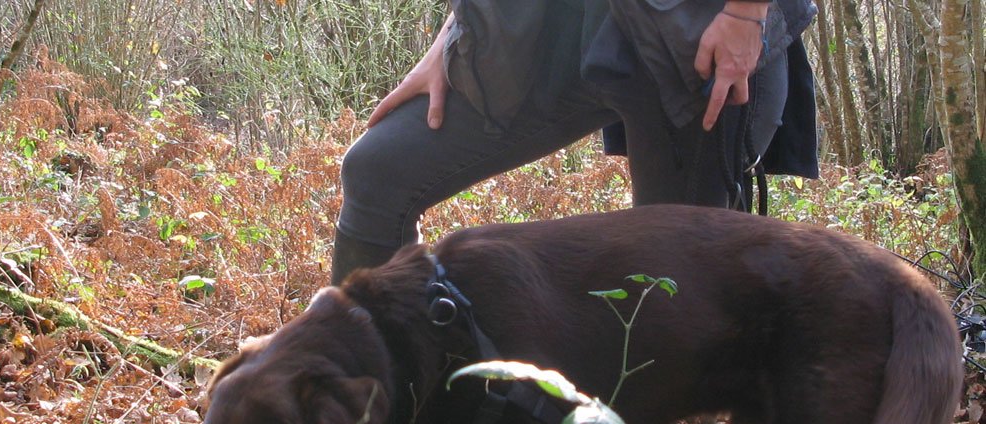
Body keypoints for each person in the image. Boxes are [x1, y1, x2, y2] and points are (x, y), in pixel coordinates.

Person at [331, 0, 819, 284]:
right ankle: (373, 413)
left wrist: (746, 13)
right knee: (379, 173)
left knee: (670, 283)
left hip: (696, 29)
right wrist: (452, 34)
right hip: (544, 28)